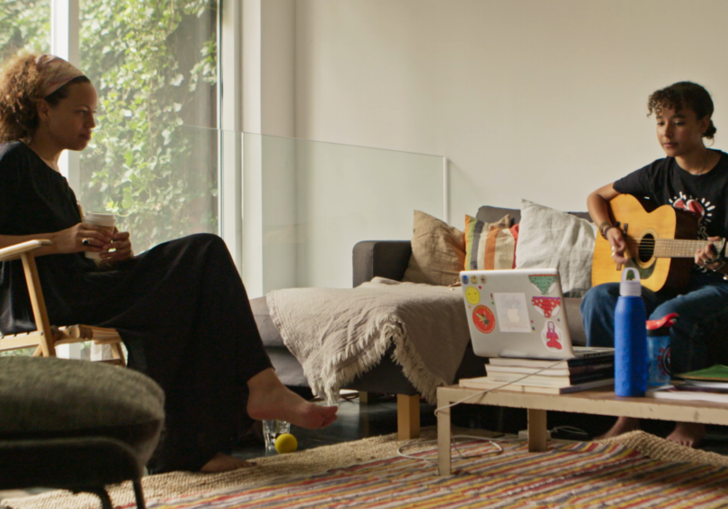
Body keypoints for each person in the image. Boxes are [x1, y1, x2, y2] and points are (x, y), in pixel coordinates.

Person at [0, 53, 337, 474]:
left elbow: (72, 252)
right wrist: (58, 240)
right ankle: (259, 389)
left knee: (195, 283)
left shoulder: (55, 177)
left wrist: (110, 256)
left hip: (85, 285)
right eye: (81, 112)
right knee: (203, 252)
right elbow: (43, 247)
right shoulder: (11, 160)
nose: (91, 124)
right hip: (46, 298)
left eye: (94, 113)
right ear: (43, 108)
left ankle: (191, 449)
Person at [581, 81, 728, 447]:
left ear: (704, 122)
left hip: (718, 284)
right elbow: (596, 197)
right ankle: (626, 412)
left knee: (671, 312)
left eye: (677, 122)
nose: (666, 132)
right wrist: (610, 230)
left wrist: (719, 259)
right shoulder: (659, 173)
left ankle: (690, 422)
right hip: (667, 281)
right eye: (660, 122)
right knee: (599, 300)